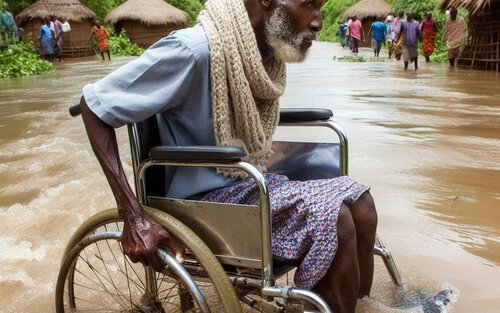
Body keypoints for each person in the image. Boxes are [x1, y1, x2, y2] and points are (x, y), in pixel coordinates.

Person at [79, 0, 379, 312]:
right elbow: (93, 106)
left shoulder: (262, 57)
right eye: (309, 5)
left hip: (246, 179)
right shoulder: (193, 50)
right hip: (203, 198)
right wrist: (134, 216)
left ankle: (366, 306)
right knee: (333, 218)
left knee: (361, 205)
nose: (317, 22)